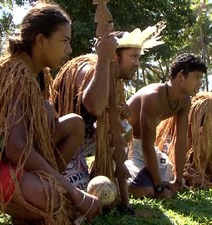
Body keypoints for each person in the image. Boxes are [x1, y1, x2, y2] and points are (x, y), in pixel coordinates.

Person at [0, 3, 101, 224]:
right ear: (40, 41)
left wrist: (45, 106)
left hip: (10, 162)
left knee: (74, 125)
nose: (69, 50)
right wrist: (72, 191)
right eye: (65, 41)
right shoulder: (15, 74)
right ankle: (35, 197)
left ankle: (37, 193)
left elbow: (38, 132)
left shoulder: (37, 75)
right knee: (52, 197)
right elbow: (15, 147)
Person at [51, 22, 167, 209]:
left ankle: (95, 171)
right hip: (59, 142)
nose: (137, 63)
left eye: (139, 57)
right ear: (114, 54)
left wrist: (121, 114)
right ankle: (56, 175)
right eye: (133, 57)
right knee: (73, 200)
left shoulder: (115, 82)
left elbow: (116, 129)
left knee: (122, 136)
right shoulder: (88, 69)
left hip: (83, 141)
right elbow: (95, 107)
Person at [125, 53, 207, 199]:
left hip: (145, 148)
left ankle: (151, 178)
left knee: (178, 178)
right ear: (181, 76)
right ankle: (113, 171)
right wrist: (158, 187)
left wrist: (178, 180)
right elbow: (146, 144)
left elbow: (180, 140)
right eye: (196, 77)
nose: (200, 83)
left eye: (201, 78)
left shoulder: (184, 100)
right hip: (126, 145)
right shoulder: (152, 97)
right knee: (146, 191)